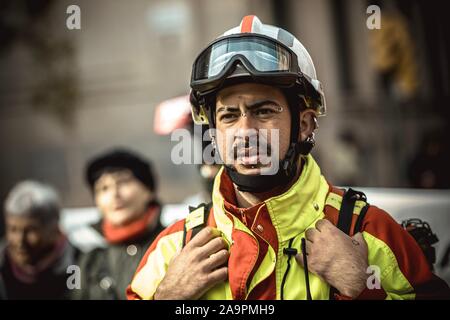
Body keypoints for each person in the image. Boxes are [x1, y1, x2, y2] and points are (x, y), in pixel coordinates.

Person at [127, 15, 449, 300]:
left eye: (264, 111)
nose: (245, 131)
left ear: (304, 125)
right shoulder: (174, 247)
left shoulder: (368, 231)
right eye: (228, 116)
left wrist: (364, 289)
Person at [73, 149, 163, 299]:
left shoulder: (174, 243)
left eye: (123, 182)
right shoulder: (89, 262)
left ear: (149, 190)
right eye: (103, 188)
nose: (115, 194)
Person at [0, 180, 79, 299]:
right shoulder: (3, 265)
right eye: (13, 229)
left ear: (54, 229)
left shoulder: (79, 266)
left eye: (31, 230)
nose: (20, 241)